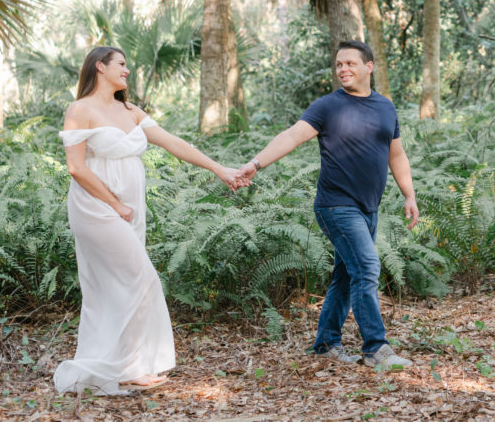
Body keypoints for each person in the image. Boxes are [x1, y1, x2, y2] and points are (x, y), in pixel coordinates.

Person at [55, 46, 244, 394]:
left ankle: (123, 363)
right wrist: (115, 204)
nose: (127, 70)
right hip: (97, 207)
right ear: (100, 66)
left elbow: (175, 144)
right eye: (121, 64)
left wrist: (220, 170)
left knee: (119, 284)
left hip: (129, 208)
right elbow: (76, 167)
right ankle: (127, 368)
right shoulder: (80, 109)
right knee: (141, 280)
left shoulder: (129, 110)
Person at [236, 40, 419, 368]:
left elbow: (397, 154)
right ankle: (376, 348)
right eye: (338, 65)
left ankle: (326, 345)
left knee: (346, 276)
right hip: (336, 206)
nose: (343, 69)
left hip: (368, 208)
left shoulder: (385, 108)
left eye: (350, 63)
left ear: (369, 67)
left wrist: (409, 194)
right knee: (366, 267)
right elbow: (291, 136)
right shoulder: (327, 107)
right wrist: (256, 164)